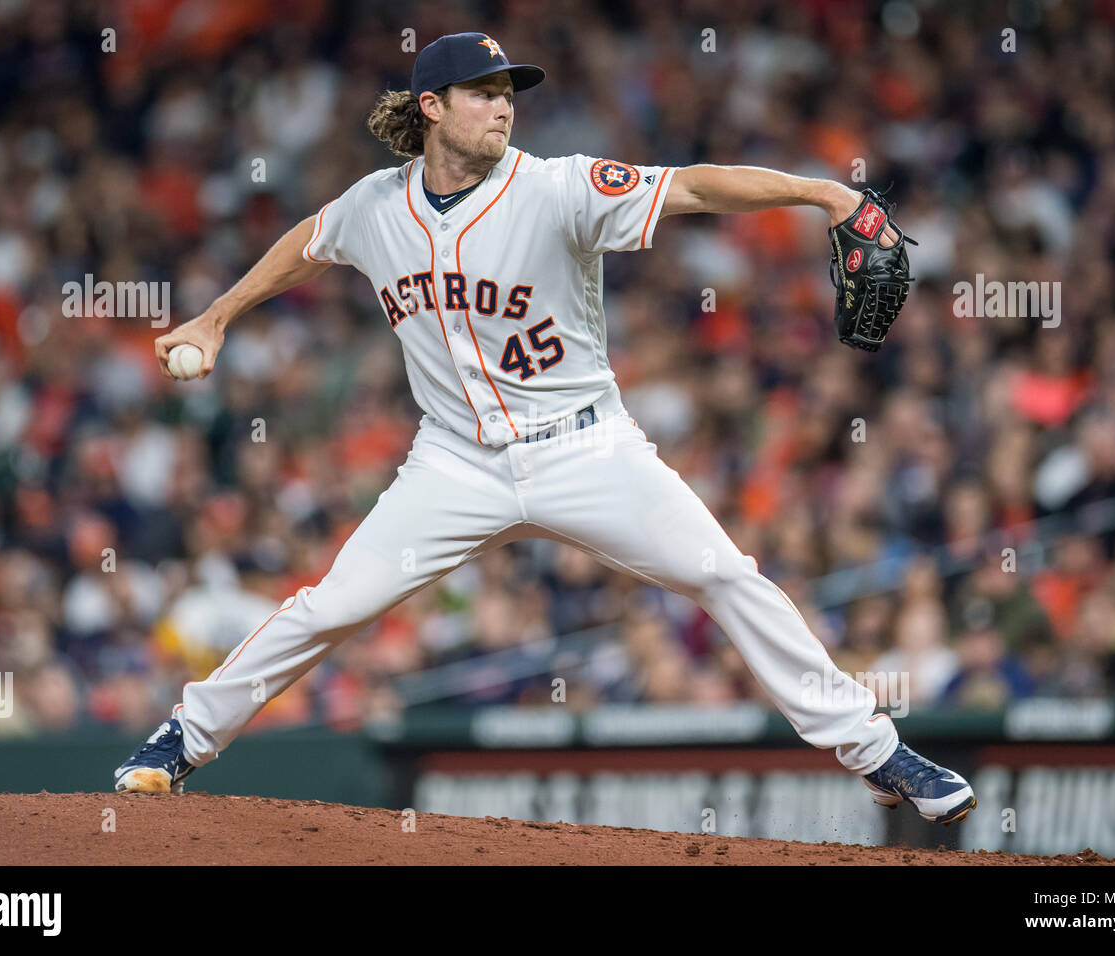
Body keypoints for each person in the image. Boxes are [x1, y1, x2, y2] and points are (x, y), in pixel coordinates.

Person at [114, 32, 976, 825]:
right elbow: (309, 241)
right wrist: (217, 317)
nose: (503, 105)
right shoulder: (376, 205)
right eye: (482, 91)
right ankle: (182, 740)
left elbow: (696, 185)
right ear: (432, 108)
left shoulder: (557, 186)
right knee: (328, 607)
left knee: (725, 575)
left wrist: (820, 191)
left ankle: (878, 752)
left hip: (585, 445)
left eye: (508, 91)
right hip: (453, 462)